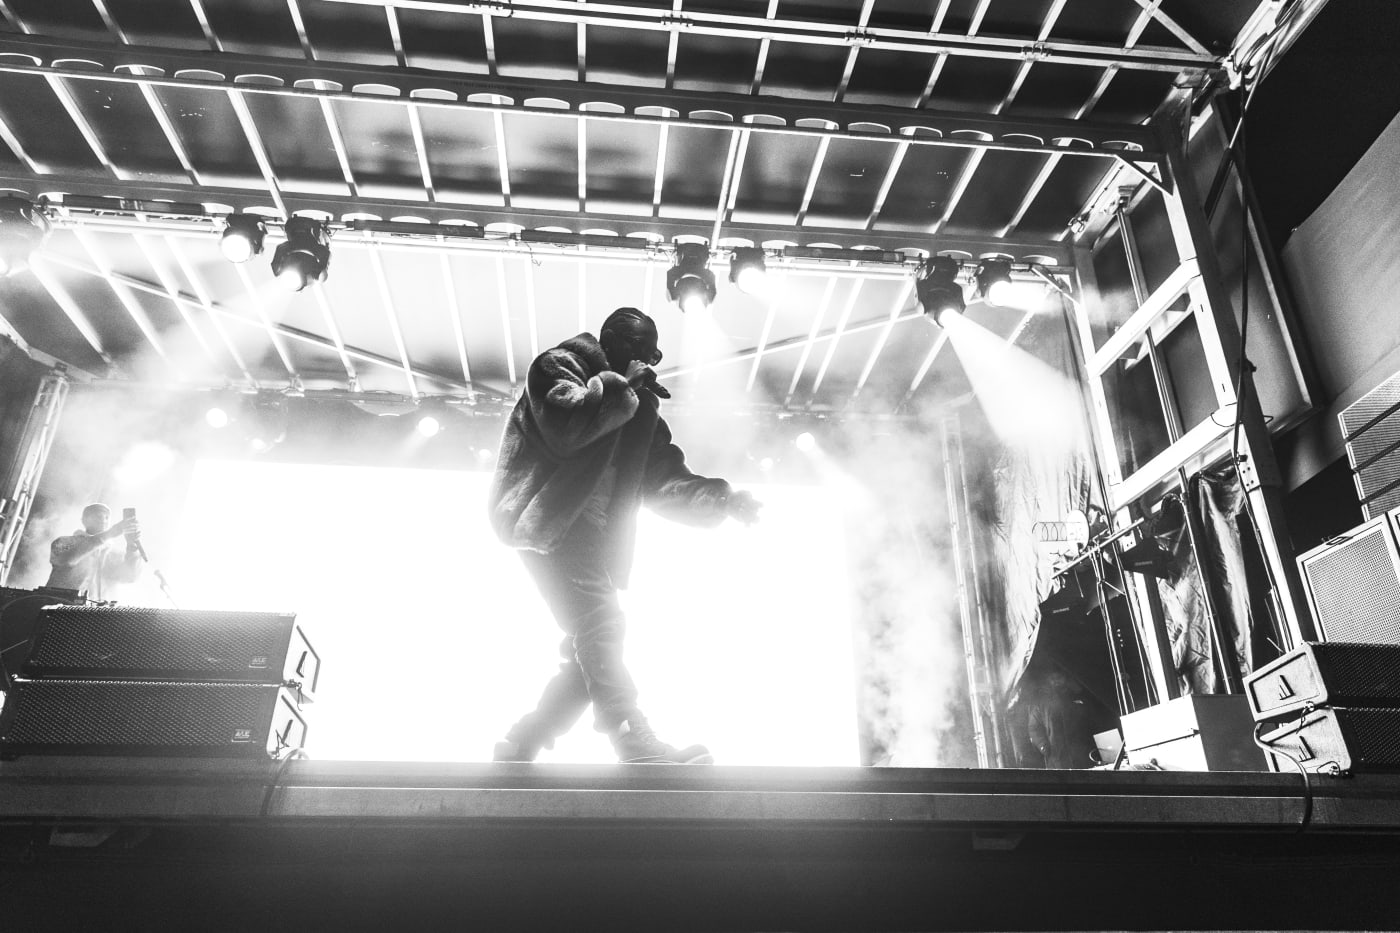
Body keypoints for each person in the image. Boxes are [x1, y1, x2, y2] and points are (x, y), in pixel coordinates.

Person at [487, 307, 761, 764]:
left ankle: (521, 743)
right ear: (609, 341)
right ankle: (630, 736)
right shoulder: (561, 365)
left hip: (592, 538)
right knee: (602, 624)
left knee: (587, 654)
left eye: (650, 352)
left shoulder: (639, 411)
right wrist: (623, 388)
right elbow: (564, 428)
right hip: (550, 523)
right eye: (635, 348)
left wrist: (725, 500)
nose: (645, 360)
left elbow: (664, 479)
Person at [46, 503, 142, 600]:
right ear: (84, 520)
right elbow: (66, 560)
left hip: (97, 613)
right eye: (98, 516)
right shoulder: (64, 541)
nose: (103, 520)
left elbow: (130, 577)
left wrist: (132, 547)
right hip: (60, 608)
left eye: (107, 517)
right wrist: (110, 533)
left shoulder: (113, 553)